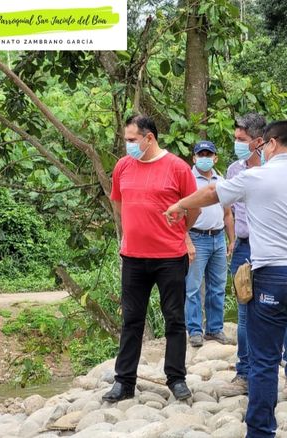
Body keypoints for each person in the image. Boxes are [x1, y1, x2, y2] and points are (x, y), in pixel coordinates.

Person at [165, 120, 287, 438]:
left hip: (271, 278)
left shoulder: (255, 177)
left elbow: (212, 192)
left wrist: (181, 205)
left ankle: (261, 432)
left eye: (261, 145)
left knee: (264, 362)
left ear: (272, 143)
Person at [102, 115, 200, 403]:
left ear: (149, 138)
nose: (128, 145)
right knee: (132, 320)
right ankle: (124, 382)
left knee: (174, 319)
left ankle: (176, 378)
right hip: (133, 257)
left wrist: (180, 232)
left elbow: (194, 207)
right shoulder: (123, 166)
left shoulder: (178, 168)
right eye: (126, 140)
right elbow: (118, 202)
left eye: (132, 140)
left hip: (170, 256)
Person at [220, 113, 287, 401]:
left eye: (241, 139)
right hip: (244, 247)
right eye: (235, 138)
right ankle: (244, 373)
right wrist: (232, 239)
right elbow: (228, 208)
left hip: (277, 249)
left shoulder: (277, 169)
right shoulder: (234, 170)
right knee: (244, 314)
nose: (237, 144)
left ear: (260, 141)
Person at [185, 140, 235, 348]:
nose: (204, 158)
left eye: (208, 154)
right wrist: (186, 240)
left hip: (218, 238)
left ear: (215, 158)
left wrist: (231, 239)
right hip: (196, 237)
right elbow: (181, 214)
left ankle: (214, 329)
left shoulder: (221, 181)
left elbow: (227, 213)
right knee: (193, 287)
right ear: (194, 158)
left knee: (217, 286)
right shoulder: (187, 179)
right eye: (201, 155)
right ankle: (195, 330)